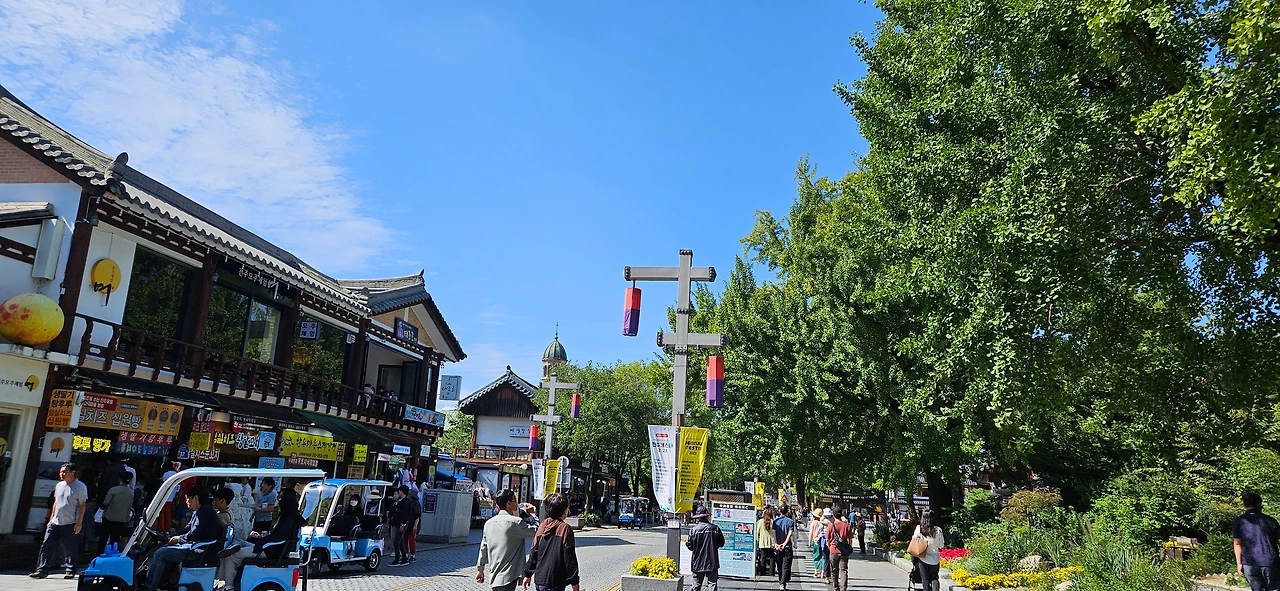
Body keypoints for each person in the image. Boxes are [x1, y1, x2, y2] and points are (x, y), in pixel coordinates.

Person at [218, 488, 304, 591]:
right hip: (270, 547)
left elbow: (280, 537)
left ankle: (229, 586)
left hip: (271, 550)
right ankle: (235, 551)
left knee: (231, 556)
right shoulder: (289, 518)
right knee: (242, 543)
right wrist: (262, 537)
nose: (278, 502)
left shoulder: (288, 519)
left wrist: (264, 540)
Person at [143, 485, 223, 591]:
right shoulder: (200, 511)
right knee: (165, 549)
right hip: (197, 547)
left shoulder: (204, 512)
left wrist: (178, 539)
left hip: (199, 551)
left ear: (195, 498)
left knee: (159, 553)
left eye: (187, 498)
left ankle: (150, 587)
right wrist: (171, 537)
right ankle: (165, 583)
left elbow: (194, 533)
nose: (186, 502)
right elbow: (187, 528)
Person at [30, 463, 88, 580]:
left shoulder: (80, 486)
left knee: (70, 547)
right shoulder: (59, 485)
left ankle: (70, 570)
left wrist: (79, 522)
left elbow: (82, 505)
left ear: (73, 472)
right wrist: (51, 518)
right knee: (47, 544)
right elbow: (56, 503)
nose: (62, 474)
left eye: (65, 472)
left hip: (70, 522)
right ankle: (42, 569)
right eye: (61, 472)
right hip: (55, 521)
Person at [476, 489, 540, 591]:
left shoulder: (488, 523)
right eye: (515, 500)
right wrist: (532, 515)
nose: (517, 503)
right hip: (509, 576)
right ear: (508, 503)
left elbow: (483, 548)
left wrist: (480, 569)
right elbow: (537, 531)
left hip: (494, 575)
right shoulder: (516, 522)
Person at [523, 493, 580, 591]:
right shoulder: (565, 529)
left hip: (539, 579)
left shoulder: (543, 525)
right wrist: (575, 583)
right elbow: (569, 558)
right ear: (564, 510)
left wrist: (528, 574)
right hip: (555, 581)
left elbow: (534, 552)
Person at [1234, 491, 1280, 591]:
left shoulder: (1239, 521)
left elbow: (1237, 543)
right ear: (1259, 504)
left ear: (1244, 505)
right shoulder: (1271, 521)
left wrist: (1239, 563)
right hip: (1270, 561)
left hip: (1249, 563)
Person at [685, 502, 725, 591]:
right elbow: (721, 543)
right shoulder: (715, 528)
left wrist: (688, 544)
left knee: (696, 585)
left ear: (698, 517)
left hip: (698, 562)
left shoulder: (693, 530)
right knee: (712, 584)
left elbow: (691, 547)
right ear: (707, 516)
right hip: (712, 561)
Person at [98, 472, 134, 555]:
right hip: (122, 518)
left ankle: (99, 553)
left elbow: (106, 502)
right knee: (116, 538)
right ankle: (113, 554)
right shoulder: (131, 492)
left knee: (104, 537)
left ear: (120, 479)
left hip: (110, 516)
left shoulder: (113, 490)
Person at [911, 509, 946, 591]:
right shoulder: (938, 530)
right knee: (934, 578)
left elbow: (914, 540)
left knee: (925, 578)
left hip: (923, 557)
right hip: (935, 558)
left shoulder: (919, 528)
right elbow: (941, 545)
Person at [827, 508, 854, 591]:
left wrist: (830, 547)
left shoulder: (831, 526)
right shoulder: (847, 526)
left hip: (833, 550)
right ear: (841, 514)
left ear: (833, 515)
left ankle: (836, 587)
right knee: (843, 570)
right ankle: (843, 588)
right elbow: (850, 539)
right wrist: (848, 548)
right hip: (844, 551)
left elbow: (828, 539)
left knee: (834, 571)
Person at [389, 485, 416, 566]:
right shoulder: (402, 501)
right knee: (400, 542)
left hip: (401, 524)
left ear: (401, 491)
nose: (399, 492)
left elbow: (405, 515)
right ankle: (404, 558)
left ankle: (397, 559)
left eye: (399, 491)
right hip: (398, 523)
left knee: (396, 542)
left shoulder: (406, 502)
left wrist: (403, 524)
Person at [772, 504, 796, 591]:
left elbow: (773, 532)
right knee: (786, 566)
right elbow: (790, 533)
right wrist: (784, 544)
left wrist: (776, 544)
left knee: (779, 565)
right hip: (787, 547)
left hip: (778, 547)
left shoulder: (775, 521)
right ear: (787, 511)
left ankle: (781, 581)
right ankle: (783, 583)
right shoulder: (790, 521)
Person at [755, 507, 775, 577]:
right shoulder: (773, 522)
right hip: (771, 543)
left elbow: (757, 532)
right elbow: (774, 532)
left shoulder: (760, 521)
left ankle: (762, 572)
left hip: (762, 543)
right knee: (772, 558)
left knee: (763, 558)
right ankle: (771, 572)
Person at [404, 486, 422, 563]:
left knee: (411, 540)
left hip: (412, 524)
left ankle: (413, 555)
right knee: (404, 540)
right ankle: (405, 554)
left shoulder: (416, 504)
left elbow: (417, 516)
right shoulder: (407, 502)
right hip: (406, 523)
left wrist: (415, 525)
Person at [808, 506, 825, 580]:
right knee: (823, 556)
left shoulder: (813, 523)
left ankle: (816, 571)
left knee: (816, 555)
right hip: (822, 541)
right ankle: (823, 572)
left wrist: (809, 541)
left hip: (815, 541)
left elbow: (811, 533)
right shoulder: (822, 523)